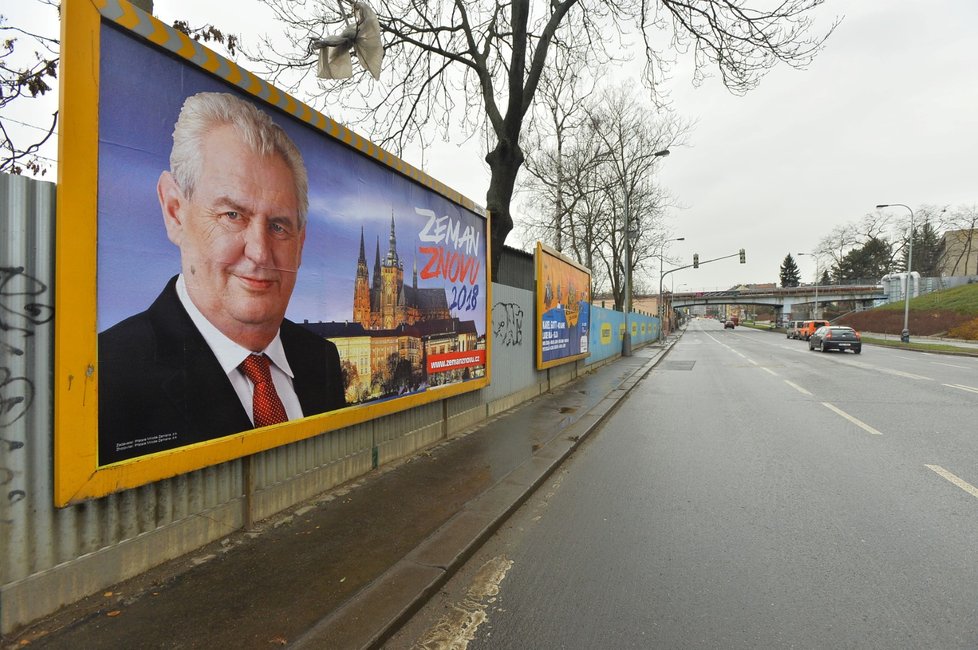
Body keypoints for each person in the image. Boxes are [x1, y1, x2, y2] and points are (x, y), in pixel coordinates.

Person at [98, 92, 345, 465]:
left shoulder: (321, 358)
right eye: (233, 215)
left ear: (301, 242)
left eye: (279, 226)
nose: (260, 252)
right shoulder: (107, 375)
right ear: (175, 211)